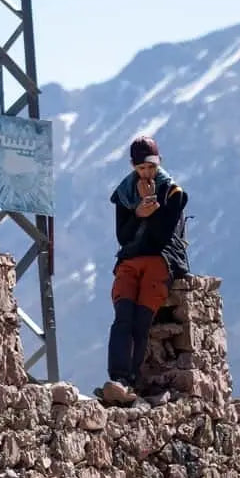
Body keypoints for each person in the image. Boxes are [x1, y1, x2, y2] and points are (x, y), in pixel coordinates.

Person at [102, 135, 190, 404]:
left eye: (151, 167)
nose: (147, 173)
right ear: (133, 167)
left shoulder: (172, 193)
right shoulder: (124, 195)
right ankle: (118, 378)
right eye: (142, 168)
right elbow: (123, 236)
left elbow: (162, 236)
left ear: (159, 163)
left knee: (141, 322)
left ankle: (133, 380)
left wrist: (151, 209)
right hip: (129, 260)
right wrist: (138, 212)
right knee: (123, 317)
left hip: (160, 259)